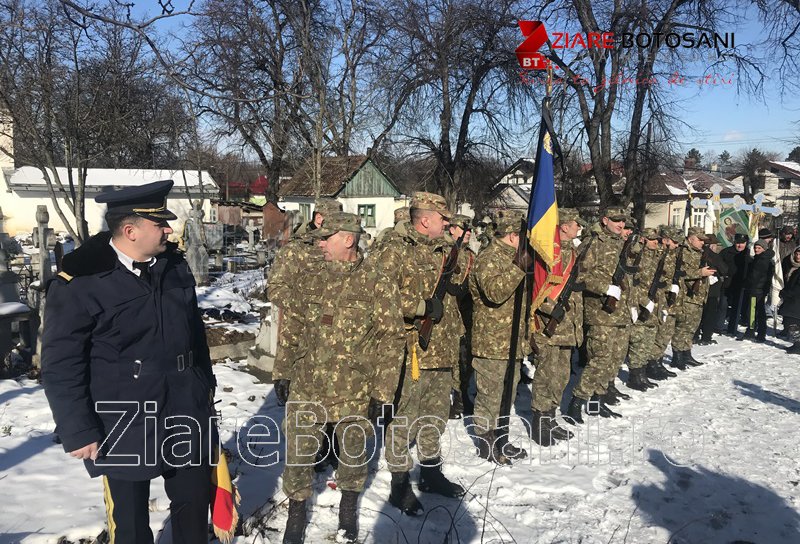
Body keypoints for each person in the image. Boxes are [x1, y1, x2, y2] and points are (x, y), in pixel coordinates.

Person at [41, 180, 216, 544]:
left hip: (184, 408)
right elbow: (61, 363)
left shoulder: (174, 266)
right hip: (121, 420)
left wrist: (205, 388)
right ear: (131, 231)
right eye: (160, 224)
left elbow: (194, 335)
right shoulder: (80, 283)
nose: (169, 229)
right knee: (131, 524)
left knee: (195, 510)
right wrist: (78, 429)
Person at [279, 212, 405, 544]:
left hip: (355, 388)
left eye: (326, 237)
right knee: (298, 453)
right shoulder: (309, 278)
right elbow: (290, 326)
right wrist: (282, 371)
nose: (318, 243)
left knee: (352, 455)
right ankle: (295, 516)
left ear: (348, 239)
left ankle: (347, 513)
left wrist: (383, 391)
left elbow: (391, 339)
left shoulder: (377, 282)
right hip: (308, 384)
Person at [373, 191, 465, 516]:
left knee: (435, 415)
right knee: (403, 419)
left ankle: (430, 471)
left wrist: (458, 247)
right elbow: (379, 296)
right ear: (425, 219)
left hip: (441, 349)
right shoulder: (394, 250)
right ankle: (400, 482)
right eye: (443, 219)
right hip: (409, 349)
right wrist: (422, 307)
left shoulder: (444, 251)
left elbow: (464, 278)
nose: (448, 224)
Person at [269, 198, 342, 471]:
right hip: (302, 336)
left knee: (337, 389)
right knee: (308, 396)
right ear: (319, 218)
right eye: (331, 220)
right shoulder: (296, 251)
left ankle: (333, 444)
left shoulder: (341, 246)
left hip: (337, 335)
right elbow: (275, 287)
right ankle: (311, 449)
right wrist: (306, 304)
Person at [468, 209, 530, 463]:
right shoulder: (489, 258)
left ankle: (501, 438)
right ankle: (486, 442)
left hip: (512, 340)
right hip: (491, 342)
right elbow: (494, 292)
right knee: (490, 396)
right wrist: (518, 268)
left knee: (507, 394)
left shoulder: (514, 257)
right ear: (513, 236)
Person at [566, 207, 635, 424]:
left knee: (614, 361)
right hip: (600, 313)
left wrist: (631, 304)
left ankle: (597, 403)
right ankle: (576, 402)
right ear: (605, 220)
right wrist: (604, 288)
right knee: (599, 360)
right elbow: (579, 276)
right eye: (616, 220)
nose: (621, 224)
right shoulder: (593, 243)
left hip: (620, 313)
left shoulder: (620, 243)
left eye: (623, 221)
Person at [528, 208, 584, 445]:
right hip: (549, 324)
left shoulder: (572, 252)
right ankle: (540, 422)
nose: (579, 228)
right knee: (545, 375)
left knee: (561, 376)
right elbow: (537, 285)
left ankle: (550, 418)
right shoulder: (547, 251)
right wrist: (550, 310)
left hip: (568, 326)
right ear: (563, 226)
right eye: (575, 224)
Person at [669, 227, 717, 369]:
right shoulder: (682, 252)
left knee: (691, 328)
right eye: (699, 239)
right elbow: (678, 273)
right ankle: (677, 357)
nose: (702, 242)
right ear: (690, 238)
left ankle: (686, 353)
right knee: (682, 327)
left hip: (698, 297)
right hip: (686, 296)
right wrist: (699, 272)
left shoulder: (699, 252)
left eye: (703, 240)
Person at [625, 227, 663, 391]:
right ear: (643, 240)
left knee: (648, 340)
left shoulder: (656, 256)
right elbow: (633, 283)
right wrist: (643, 301)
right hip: (641, 305)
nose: (656, 242)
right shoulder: (638, 257)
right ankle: (635, 376)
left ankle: (642, 373)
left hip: (653, 304)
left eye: (657, 239)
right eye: (652, 239)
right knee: (638, 341)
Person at [740, 239, 775, 342]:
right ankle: (760, 332)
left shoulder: (762, 260)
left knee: (753, 311)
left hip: (756, 289)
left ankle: (751, 332)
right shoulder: (761, 258)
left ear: (764, 249)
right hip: (758, 289)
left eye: (759, 248)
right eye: (755, 247)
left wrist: (747, 283)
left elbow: (755, 276)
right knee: (759, 311)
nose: (756, 249)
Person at [697, 234, 728, 345]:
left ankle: (695, 335)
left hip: (697, 289)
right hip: (712, 290)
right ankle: (706, 336)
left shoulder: (696, 255)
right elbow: (724, 269)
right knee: (710, 313)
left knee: (698, 313)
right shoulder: (714, 256)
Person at [721, 233, 751, 336]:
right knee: (723, 305)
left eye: (742, 243)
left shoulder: (749, 254)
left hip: (741, 285)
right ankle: (718, 326)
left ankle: (733, 328)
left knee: (738, 307)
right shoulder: (726, 252)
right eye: (738, 243)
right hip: (726, 284)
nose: (740, 245)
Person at [779, 245, 800, 353]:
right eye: (796, 253)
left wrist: (787, 293)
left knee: (792, 323)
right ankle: (797, 344)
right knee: (791, 322)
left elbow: (797, 288)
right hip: (791, 300)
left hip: (795, 301)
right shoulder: (792, 266)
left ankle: (798, 345)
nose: (798, 256)